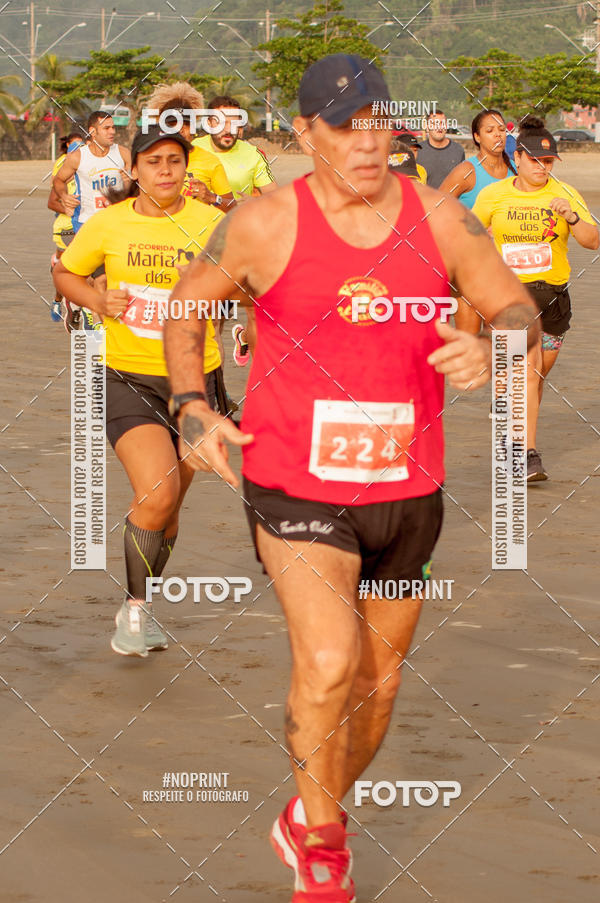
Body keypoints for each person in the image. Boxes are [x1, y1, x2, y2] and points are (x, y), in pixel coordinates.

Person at [164, 53, 540, 901]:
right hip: (294, 480)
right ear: (305, 133)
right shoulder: (264, 224)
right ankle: (326, 857)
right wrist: (193, 406)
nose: (368, 145)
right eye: (345, 126)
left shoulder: (440, 217)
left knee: (377, 684)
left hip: (409, 490)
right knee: (329, 663)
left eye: (379, 125)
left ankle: (306, 813)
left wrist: (491, 343)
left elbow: (517, 305)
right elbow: (187, 307)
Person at [53, 125, 225, 657]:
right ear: (135, 170)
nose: (165, 171)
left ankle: (143, 607)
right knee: (156, 493)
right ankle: (132, 615)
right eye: (154, 162)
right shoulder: (108, 223)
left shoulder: (213, 223)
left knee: (169, 510)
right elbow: (66, 273)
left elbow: (246, 284)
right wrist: (94, 300)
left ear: (186, 167)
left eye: (175, 161)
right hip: (127, 375)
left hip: (198, 381)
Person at [473, 115, 599, 482]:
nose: (542, 167)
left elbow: (592, 241)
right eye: (534, 160)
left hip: (554, 300)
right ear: (518, 159)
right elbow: (465, 232)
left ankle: (513, 438)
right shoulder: (494, 195)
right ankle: (526, 454)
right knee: (526, 373)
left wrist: (572, 217)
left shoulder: (565, 192)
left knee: (537, 376)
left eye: (547, 162)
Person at [194, 95, 278, 365]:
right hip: (193, 246)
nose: (228, 129)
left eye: (234, 122)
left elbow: (274, 200)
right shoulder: (190, 150)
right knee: (204, 320)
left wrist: (253, 203)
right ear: (208, 122)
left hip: (236, 248)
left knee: (224, 319)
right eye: (220, 122)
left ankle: (219, 389)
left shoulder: (252, 154)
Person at [440, 110, 517, 333]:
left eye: (502, 130)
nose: (498, 135)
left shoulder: (516, 170)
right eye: (490, 131)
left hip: (507, 270)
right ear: (476, 136)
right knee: (470, 342)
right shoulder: (466, 172)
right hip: (468, 268)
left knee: (503, 345)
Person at [53, 111, 131, 330]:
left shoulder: (122, 153)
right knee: (102, 278)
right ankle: (98, 323)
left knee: (109, 276)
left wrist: (131, 180)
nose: (113, 132)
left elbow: (139, 178)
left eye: (113, 127)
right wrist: (64, 196)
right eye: (107, 128)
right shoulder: (79, 157)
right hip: (86, 223)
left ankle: (84, 306)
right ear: (93, 132)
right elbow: (58, 180)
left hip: (116, 223)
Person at [146, 82, 235, 213]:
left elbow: (233, 207)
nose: (180, 129)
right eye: (172, 124)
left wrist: (211, 197)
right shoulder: (149, 159)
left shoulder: (210, 161)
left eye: (186, 124)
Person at [48, 132, 84, 325]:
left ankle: (80, 309)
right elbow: (52, 201)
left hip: (88, 226)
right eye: (75, 146)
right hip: (66, 226)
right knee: (66, 269)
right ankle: (58, 300)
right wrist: (70, 211)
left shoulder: (92, 168)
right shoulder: (63, 164)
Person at [417, 108, 465, 189]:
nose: (439, 127)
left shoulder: (458, 150)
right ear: (427, 128)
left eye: (442, 123)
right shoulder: (417, 150)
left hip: (450, 200)